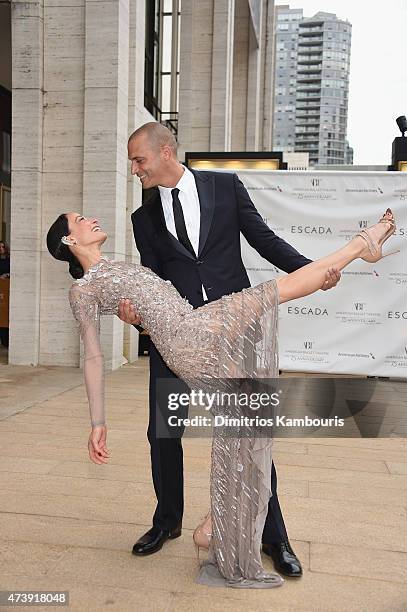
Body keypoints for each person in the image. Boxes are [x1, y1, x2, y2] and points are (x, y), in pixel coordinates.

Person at [46, 207, 396, 588]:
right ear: (69, 240)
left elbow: (153, 304)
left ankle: (215, 526)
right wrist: (98, 422)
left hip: (196, 324)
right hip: (186, 340)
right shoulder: (82, 290)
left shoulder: (119, 265)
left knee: (246, 428)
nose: (90, 219)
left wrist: (139, 317)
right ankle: (363, 244)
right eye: (80, 220)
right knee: (273, 292)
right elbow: (93, 356)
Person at [119, 123, 340, 578]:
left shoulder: (223, 186)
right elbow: (155, 281)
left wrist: (311, 271)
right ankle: (167, 522)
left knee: (250, 435)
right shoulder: (143, 217)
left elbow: (263, 239)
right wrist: (136, 312)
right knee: (163, 432)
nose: (134, 169)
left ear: (165, 152)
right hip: (177, 338)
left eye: (139, 159)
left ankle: (273, 536)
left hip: (234, 329)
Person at [0, 241, 10, 348]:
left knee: (4, 315)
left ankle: (5, 340)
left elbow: (13, 271)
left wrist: (6, 275)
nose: (1, 249)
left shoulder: (9, 260)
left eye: (3, 247)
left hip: (6, 289)